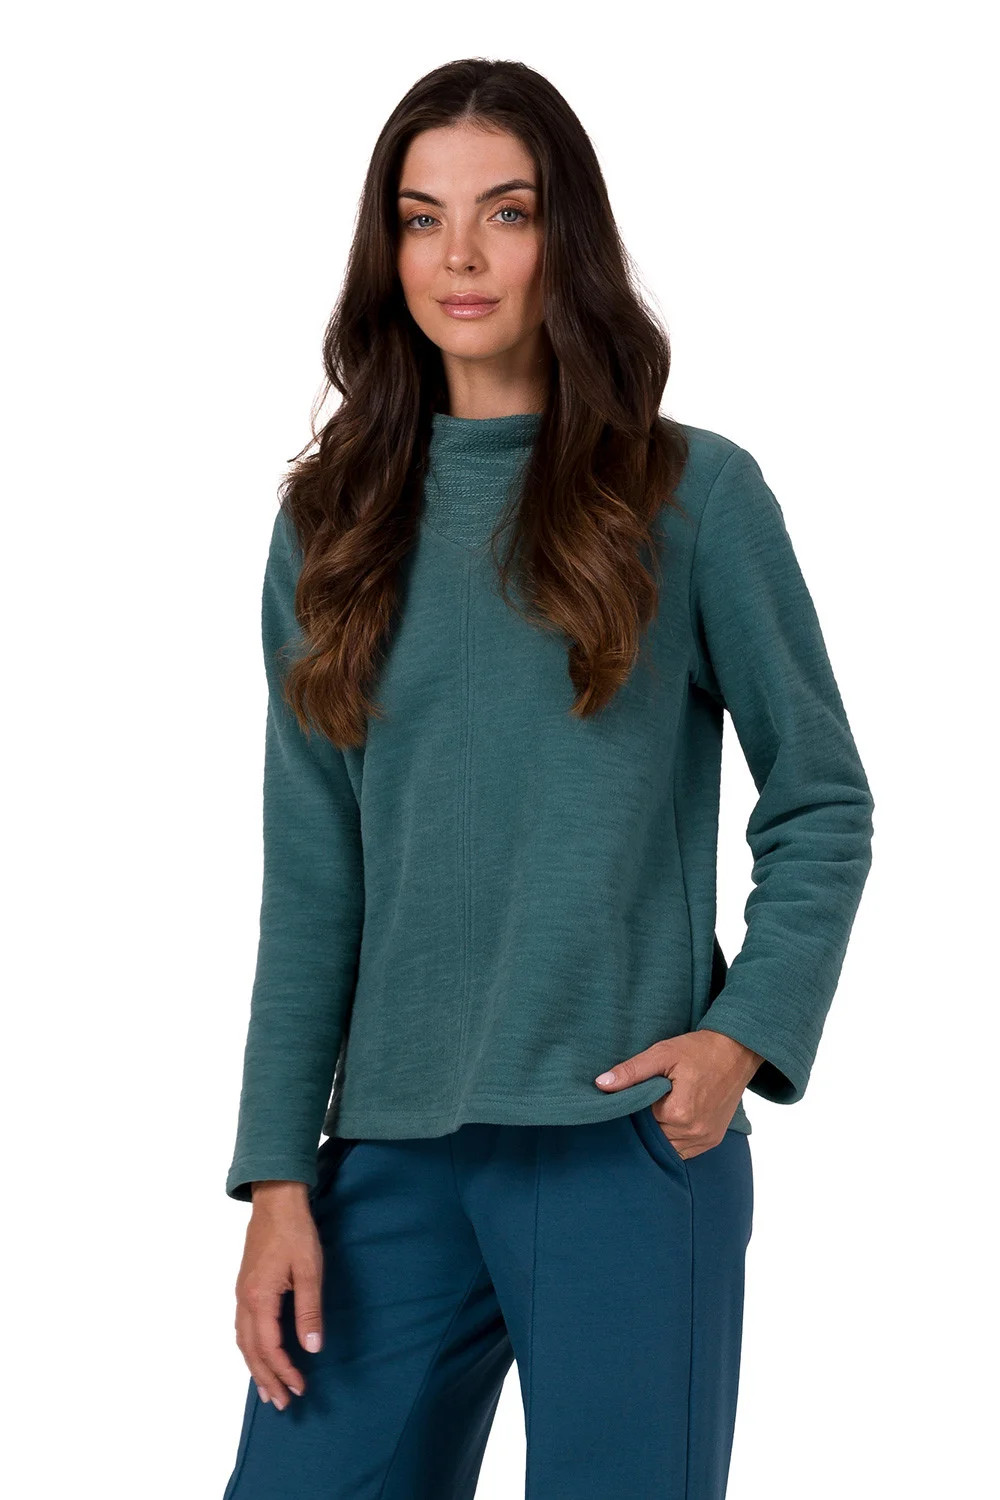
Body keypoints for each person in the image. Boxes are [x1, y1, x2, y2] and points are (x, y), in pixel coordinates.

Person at [221, 57, 875, 1500]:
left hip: (626, 1153)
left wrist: (744, 1036)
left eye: (504, 213)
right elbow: (313, 874)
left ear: (562, 235)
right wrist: (277, 1173)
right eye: (422, 217)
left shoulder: (693, 497)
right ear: (386, 248)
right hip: (388, 1161)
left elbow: (821, 797)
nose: (460, 256)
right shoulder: (331, 526)